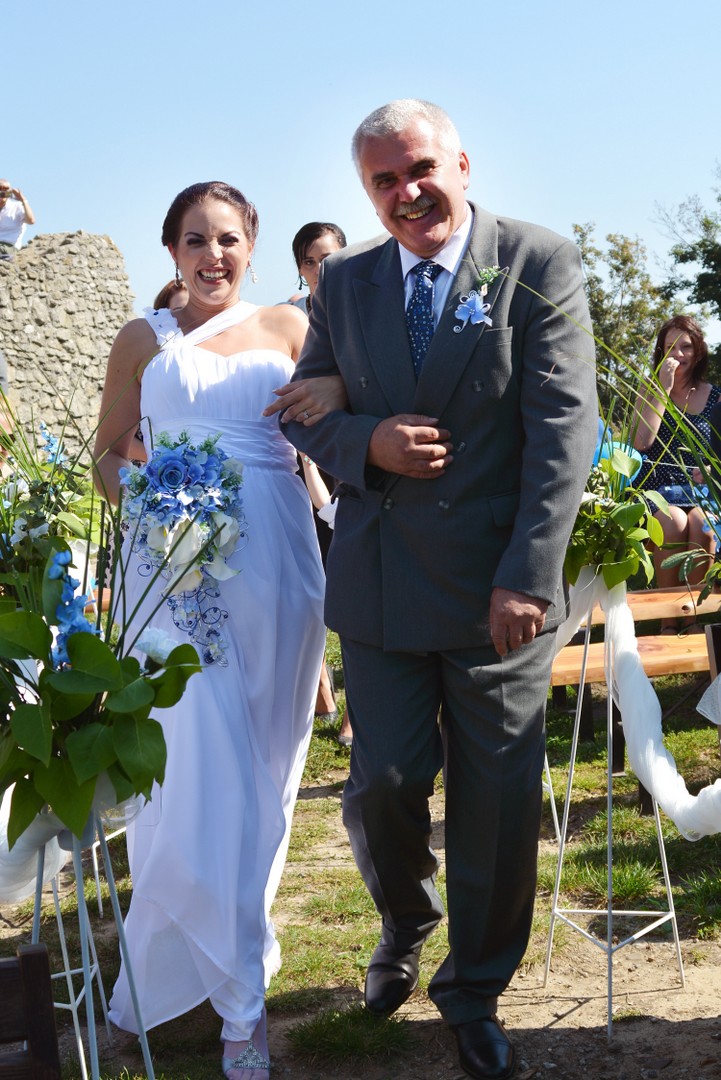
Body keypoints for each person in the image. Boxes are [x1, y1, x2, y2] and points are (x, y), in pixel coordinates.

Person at [277, 99, 597, 1080]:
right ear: (365, 192)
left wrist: (529, 576)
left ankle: (473, 990)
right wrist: (364, 442)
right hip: (379, 587)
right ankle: (404, 919)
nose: (406, 192)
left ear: (459, 163)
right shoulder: (345, 282)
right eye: (383, 181)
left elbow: (563, 431)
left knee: (493, 803)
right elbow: (302, 410)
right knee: (382, 784)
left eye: (419, 168)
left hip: (497, 593)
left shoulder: (535, 262)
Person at [93, 181, 334, 1080]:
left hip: (275, 564)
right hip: (171, 574)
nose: (213, 254)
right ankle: (240, 1011)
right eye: (195, 239)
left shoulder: (291, 329)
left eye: (228, 238)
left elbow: (329, 435)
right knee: (195, 767)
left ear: (251, 247)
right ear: (171, 251)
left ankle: (189, 967)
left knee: (263, 780)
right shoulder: (141, 340)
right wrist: (150, 504)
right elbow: (107, 452)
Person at [283, 221, 353, 742]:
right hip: (297, 463)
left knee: (352, 586)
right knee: (307, 586)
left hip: (351, 461)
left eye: (328, 257)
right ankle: (319, 689)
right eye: (310, 261)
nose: (320, 268)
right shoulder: (288, 317)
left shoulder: (365, 307)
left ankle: (356, 711)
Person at [632, 315, 719, 629]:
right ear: (661, 351)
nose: (678, 355)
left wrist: (711, 469)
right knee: (674, 523)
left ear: (698, 352)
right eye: (670, 347)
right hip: (658, 489)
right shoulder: (649, 387)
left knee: (703, 526)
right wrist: (662, 389)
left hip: (701, 490)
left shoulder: (716, 397)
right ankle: (667, 621)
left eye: (686, 347)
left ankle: (691, 617)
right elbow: (641, 443)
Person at [0, 180, 35, 260]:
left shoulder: (16, 206)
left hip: (9, 247)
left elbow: (31, 221)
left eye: (5, 189)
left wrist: (23, 200)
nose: (2, 191)